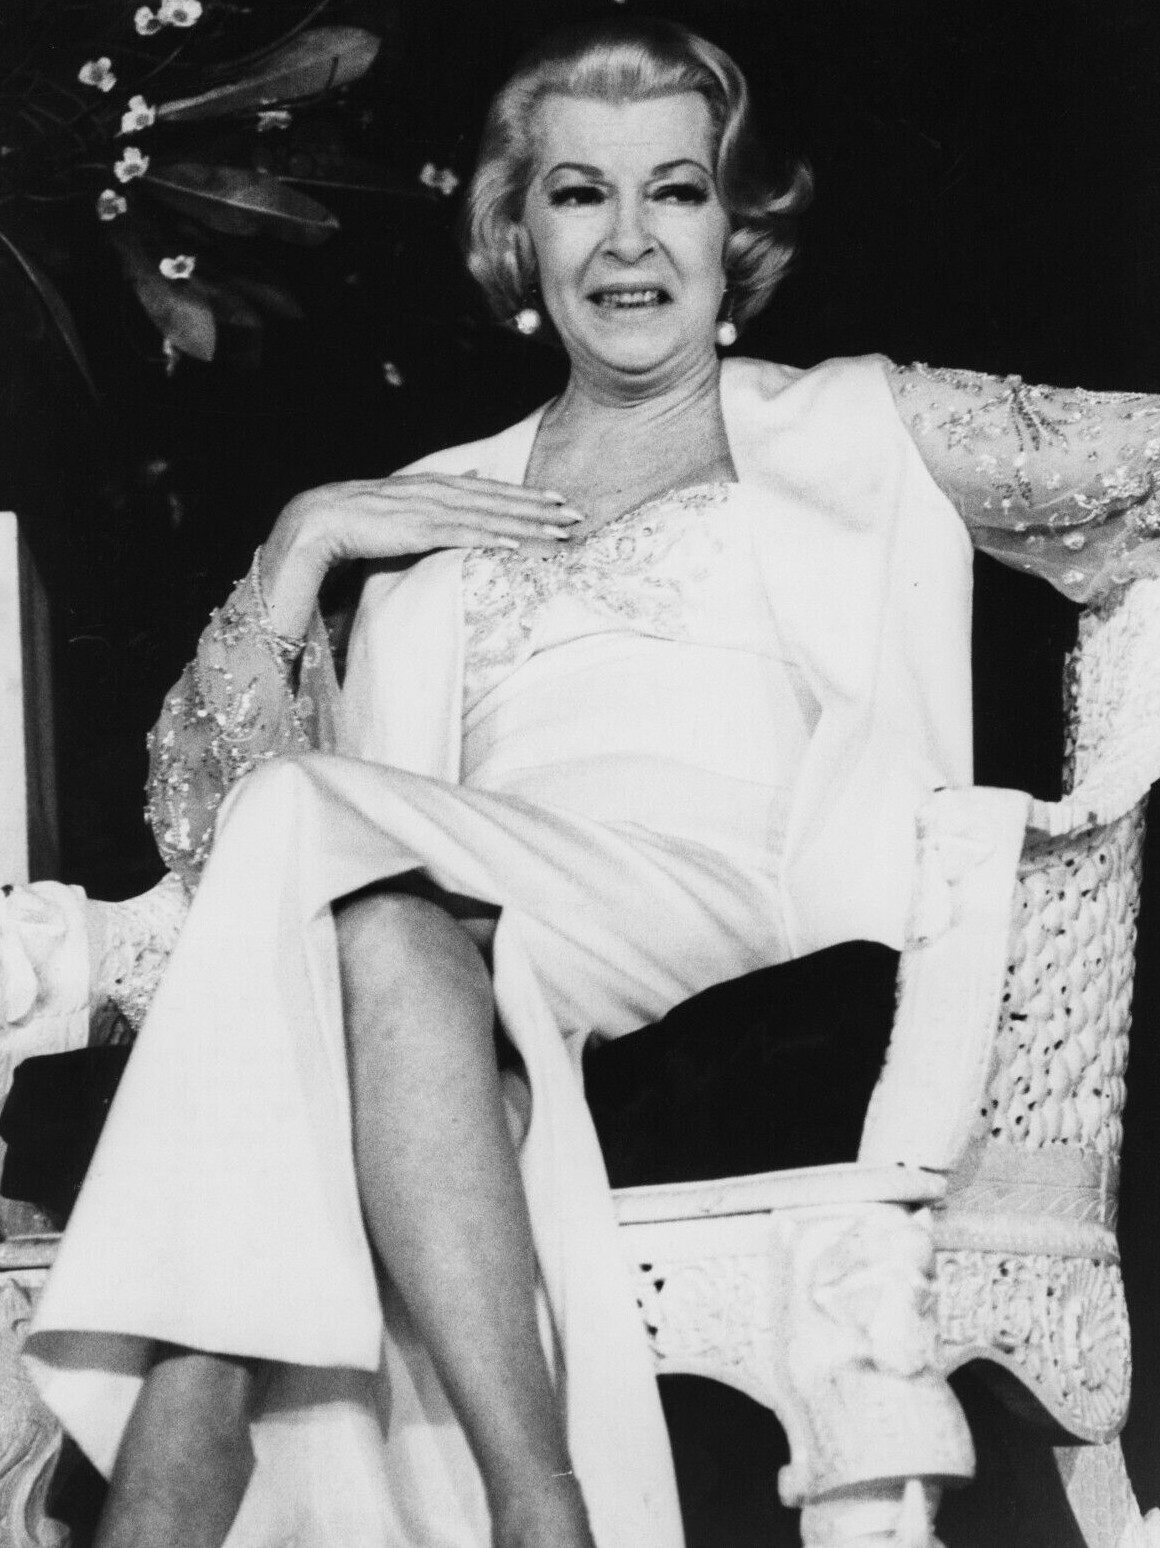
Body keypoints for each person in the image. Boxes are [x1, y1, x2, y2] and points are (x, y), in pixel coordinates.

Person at [19, 15, 1160, 1548]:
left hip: (738, 899)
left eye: (673, 190)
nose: (629, 238)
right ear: (523, 237)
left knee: (316, 828)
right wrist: (301, 548)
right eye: (577, 193)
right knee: (373, 930)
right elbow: (206, 839)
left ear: (734, 226)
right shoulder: (431, 502)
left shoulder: (857, 420)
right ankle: (537, 1505)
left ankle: (185, 1425)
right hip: (471, 926)